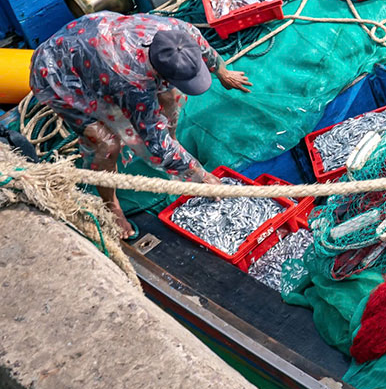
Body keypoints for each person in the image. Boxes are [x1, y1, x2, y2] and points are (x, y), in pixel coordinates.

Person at [29, 12, 252, 238]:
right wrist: (200, 176)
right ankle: (111, 204)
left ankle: (175, 151)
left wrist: (222, 71)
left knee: (172, 99)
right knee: (106, 144)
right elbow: (153, 140)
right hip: (59, 73)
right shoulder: (132, 84)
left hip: (95, 35)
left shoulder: (175, 32)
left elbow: (199, 42)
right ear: (157, 74)